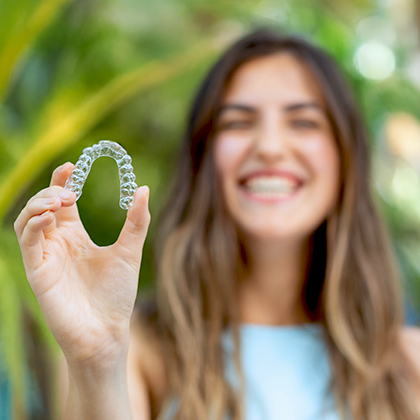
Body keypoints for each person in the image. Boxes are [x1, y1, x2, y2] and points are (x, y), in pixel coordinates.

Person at [13, 29, 420, 420]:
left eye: (304, 122)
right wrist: (96, 360)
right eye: (238, 122)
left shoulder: (410, 368)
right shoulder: (133, 351)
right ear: (204, 158)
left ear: (345, 157)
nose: (270, 147)